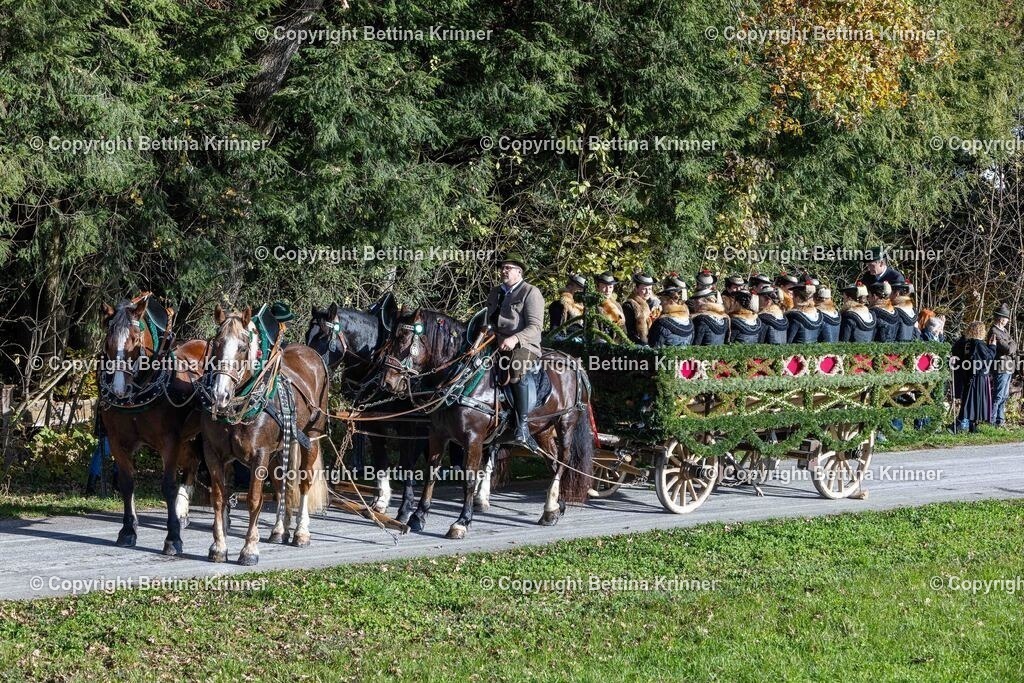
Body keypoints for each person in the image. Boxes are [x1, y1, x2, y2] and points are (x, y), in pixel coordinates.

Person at [486, 254, 545, 452]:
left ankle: (522, 427)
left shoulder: (531, 292)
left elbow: (535, 327)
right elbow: (489, 320)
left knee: (515, 370)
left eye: (508, 268)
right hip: (495, 341)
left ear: (519, 272)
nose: (504, 271)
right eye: (503, 267)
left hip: (525, 345)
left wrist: (514, 339)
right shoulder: (495, 293)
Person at [952, 321, 995, 433]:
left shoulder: (967, 343)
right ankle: (957, 426)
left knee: (971, 402)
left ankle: (972, 427)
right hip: (978, 377)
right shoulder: (978, 344)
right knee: (972, 402)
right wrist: (992, 347)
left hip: (969, 375)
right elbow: (987, 359)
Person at [988, 303, 1017, 427]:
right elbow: (1007, 349)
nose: (1006, 321)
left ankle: (1000, 421)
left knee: (1004, 396)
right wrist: (1010, 346)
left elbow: (1013, 344)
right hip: (1000, 367)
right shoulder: (994, 331)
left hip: (1008, 366)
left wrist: (1010, 346)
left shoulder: (1004, 331)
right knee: (998, 395)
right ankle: (992, 420)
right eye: (1005, 318)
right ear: (1000, 318)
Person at [622, 273, 656, 345]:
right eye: (644, 289)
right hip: (636, 344)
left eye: (650, 289)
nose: (647, 292)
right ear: (636, 289)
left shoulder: (651, 305)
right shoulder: (629, 305)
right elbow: (629, 331)